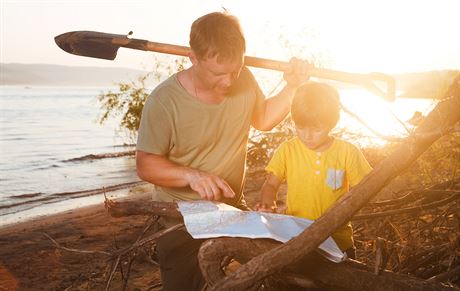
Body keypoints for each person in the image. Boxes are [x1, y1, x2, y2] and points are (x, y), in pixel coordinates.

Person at [136, 11, 310, 291]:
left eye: (235, 70)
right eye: (218, 73)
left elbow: (263, 119)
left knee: (271, 274)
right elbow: (146, 165)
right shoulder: (164, 101)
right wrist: (192, 176)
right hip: (181, 217)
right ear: (193, 58)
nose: (229, 81)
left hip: (233, 210)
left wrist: (293, 85)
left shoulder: (244, 79)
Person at [255, 81, 372, 259]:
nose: (307, 136)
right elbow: (271, 184)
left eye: (316, 129)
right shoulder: (288, 150)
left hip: (338, 242)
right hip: (296, 239)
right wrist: (268, 203)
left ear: (332, 123)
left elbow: (364, 191)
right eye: (300, 128)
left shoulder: (348, 152)